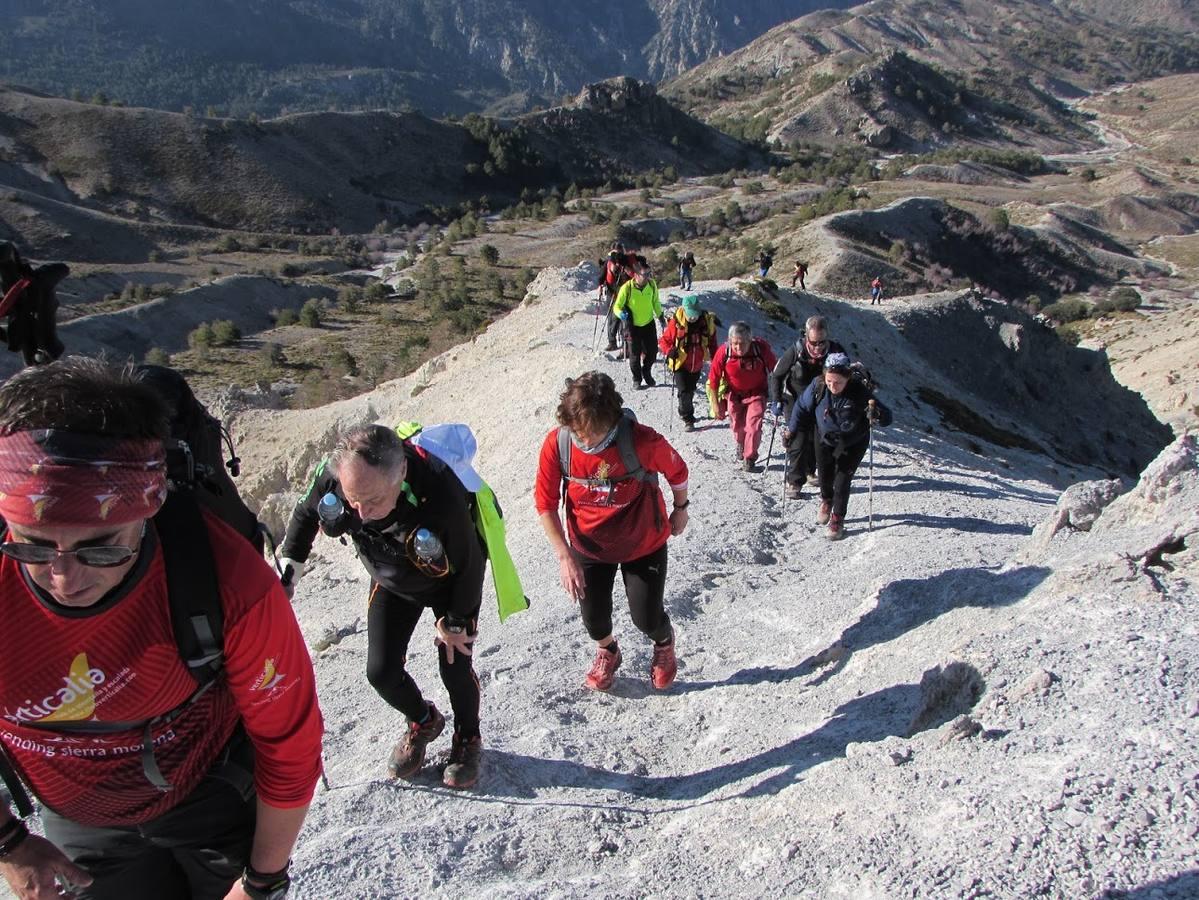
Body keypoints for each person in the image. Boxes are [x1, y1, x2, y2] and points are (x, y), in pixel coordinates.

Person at [0, 357, 323, 900]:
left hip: (208, 794)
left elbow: (289, 744)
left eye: (100, 547)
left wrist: (263, 880)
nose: (63, 577)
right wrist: (9, 843)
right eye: (30, 543)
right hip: (79, 820)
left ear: (149, 509)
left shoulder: (227, 584)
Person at [279, 424, 486, 789]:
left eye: (372, 502)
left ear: (401, 472)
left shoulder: (439, 492)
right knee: (381, 672)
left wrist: (454, 622)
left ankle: (467, 738)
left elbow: (470, 564)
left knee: (455, 666)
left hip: (448, 582)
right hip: (392, 579)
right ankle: (423, 720)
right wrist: (288, 574)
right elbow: (305, 514)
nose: (359, 513)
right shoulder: (338, 476)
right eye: (352, 500)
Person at [535, 372, 689, 692]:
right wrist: (564, 556)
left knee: (645, 617)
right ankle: (608, 650)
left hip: (643, 541)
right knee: (594, 620)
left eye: (592, 433)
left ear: (612, 421)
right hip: (589, 546)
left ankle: (663, 641)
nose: (585, 440)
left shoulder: (641, 440)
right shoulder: (559, 443)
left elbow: (678, 470)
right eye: (578, 431)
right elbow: (545, 503)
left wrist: (681, 509)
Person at [785, 352, 892, 540]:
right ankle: (826, 500)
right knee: (825, 476)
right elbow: (801, 408)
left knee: (842, 480)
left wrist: (877, 415)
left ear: (848, 378)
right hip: (824, 438)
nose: (833, 387)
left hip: (853, 442)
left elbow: (887, 417)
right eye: (829, 382)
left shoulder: (859, 392)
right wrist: (791, 432)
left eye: (838, 382)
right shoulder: (817, 387)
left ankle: (837, 519)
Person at [769, 315, 845, 499]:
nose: (818, 347)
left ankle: (811, 471)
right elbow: (777, 375)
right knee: (798, 439)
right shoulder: (796, 351)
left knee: (817, 438)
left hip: (822, 401)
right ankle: (794, 481)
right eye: (814, 342)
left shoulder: (835, 351)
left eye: (821, 342)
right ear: (806, 336)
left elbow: (846, 375)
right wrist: (776, 399)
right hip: (795, 400)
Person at [707, 322, 777, 471]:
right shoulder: (724, 352)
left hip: (757, 393)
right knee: (737, 427)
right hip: (734, 394)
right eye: (735, 344)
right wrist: (715, 405)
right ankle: (741, 443)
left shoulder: (761, 350)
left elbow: (776, 371)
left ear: (750, 340)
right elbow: (713, 379)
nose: (738, 348)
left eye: (742, 343)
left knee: (753, 426)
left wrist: (779, 394)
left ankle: (750, 457)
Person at [658, 295, 718, 432]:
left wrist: (716, 361)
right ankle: (688, 419)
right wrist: (669, 351)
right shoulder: (677, 322)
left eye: (695, 315)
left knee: (689, 391)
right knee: (684, 391)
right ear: (684, 310)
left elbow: (713, 344)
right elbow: (663, 341)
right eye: (690, 315)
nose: (692, 318)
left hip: (697, 365)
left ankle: (683, 408)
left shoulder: (707, 323)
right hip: (680, 364)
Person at [612, 259, 665, 391]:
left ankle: (646, 371)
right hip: (632, 327)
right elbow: (616, 307)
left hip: (648, 324)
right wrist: (621, 314)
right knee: (634, 355)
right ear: (636, 275)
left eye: (649, 273)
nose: (647, 277)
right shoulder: (627, 288)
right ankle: (637, 379)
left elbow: (656, 302)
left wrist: (661, 316)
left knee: (652, 351)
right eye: (644, 274)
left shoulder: (652, 285)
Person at [596, 243, 636, 354]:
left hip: (626, 294)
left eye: (620, 251)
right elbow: (602, 276)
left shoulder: (628, 262)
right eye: (616, 251)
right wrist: (600, 286)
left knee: (625, 320)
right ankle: (612, 342)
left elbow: (635, 276)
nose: (618, 254)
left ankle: (626, 345)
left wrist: (626, 268)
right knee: (613, 319)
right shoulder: (608, 262)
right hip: (612, 293)